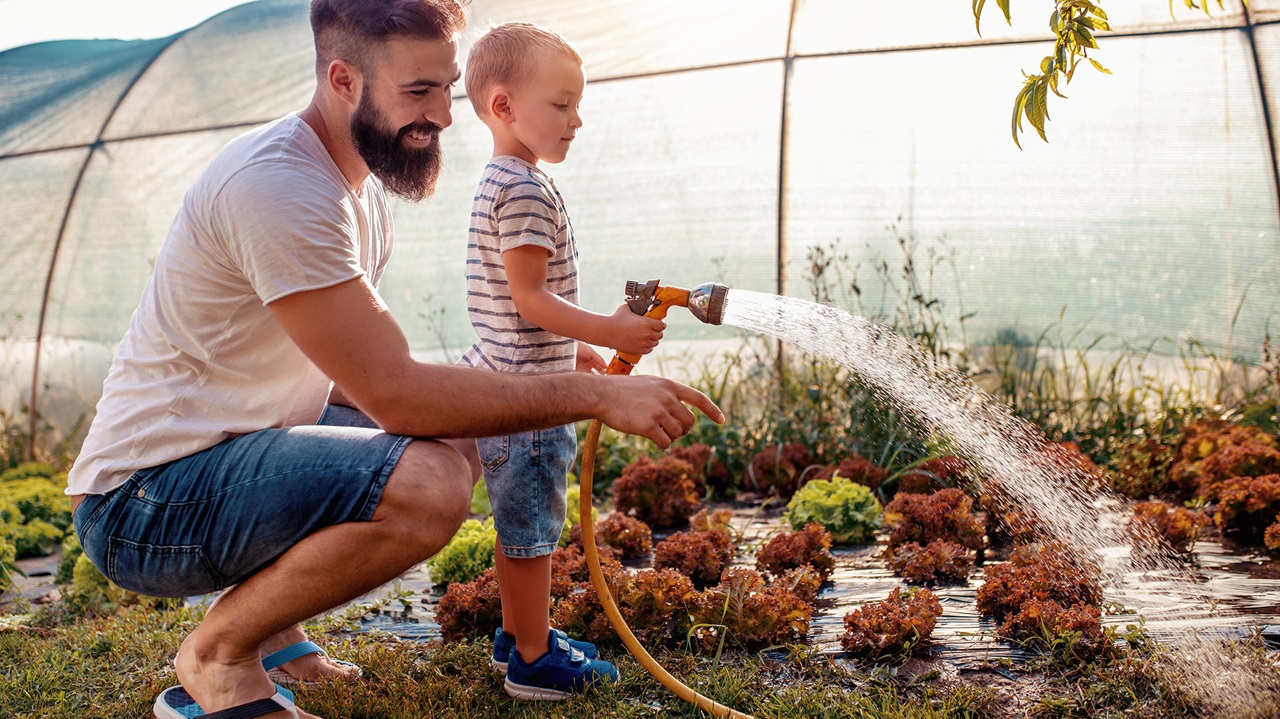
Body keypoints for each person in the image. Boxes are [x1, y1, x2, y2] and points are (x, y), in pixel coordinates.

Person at [64, 2, 722, 718]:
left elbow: (364, 366)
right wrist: (591, 396)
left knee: (460, 432)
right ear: (343, 79)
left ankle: (278, 637)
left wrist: (553, 365)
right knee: (430, 483)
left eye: (445, 88)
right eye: (418, 92)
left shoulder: (359, 187)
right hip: (143, 503)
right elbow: (398, 396)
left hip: (226, 454)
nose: (442, 114)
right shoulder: (280, 188)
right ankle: (218, 656)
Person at [458, 22, 665, 701]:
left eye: (577, 104)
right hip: (533, 404)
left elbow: (517, 309)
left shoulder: (503, 179)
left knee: (517, 522)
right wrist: (607, 327)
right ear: (503, 106)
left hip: (508, 383)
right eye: (561, 104)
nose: (577, 119)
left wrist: (583, 348)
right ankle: (533, 658)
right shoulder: (524, 191)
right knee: (533, 531)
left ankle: (516, 634)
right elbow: (530, 299)